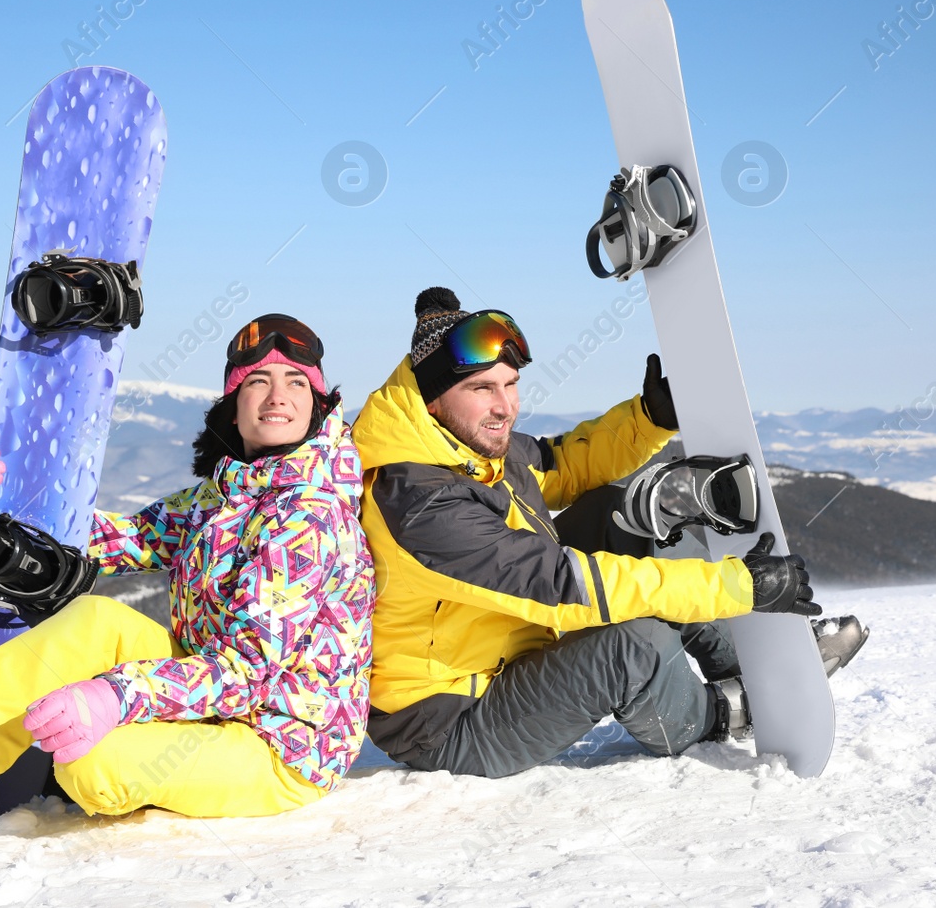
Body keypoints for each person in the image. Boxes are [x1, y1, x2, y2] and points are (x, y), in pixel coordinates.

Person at [0, 313, 374, 867]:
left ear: (318, 401)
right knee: (96, 619)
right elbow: (125, 538)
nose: (278, 397)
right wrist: (3, 489)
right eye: (259, 382)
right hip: (213, 694)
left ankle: (49, 751)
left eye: (297, 382)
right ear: (233, 404)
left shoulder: (310, 518)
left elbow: (250, 671)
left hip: (283, 739)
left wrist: (116, 696)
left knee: (93, 766)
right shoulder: (227, 494)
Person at [352, 287, 867, 777]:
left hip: (509, 650)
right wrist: (738, 586)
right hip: (449, 719)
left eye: (510, 385)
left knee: (616, 516)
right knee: (633, 644)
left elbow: (561, 465)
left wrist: (649, 420)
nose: (505, 406)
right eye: (482, 388)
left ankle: (752, 659)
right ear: (433, 398)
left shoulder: (468, 448)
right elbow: (558, 585)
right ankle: (717, 714)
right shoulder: (417, 500)